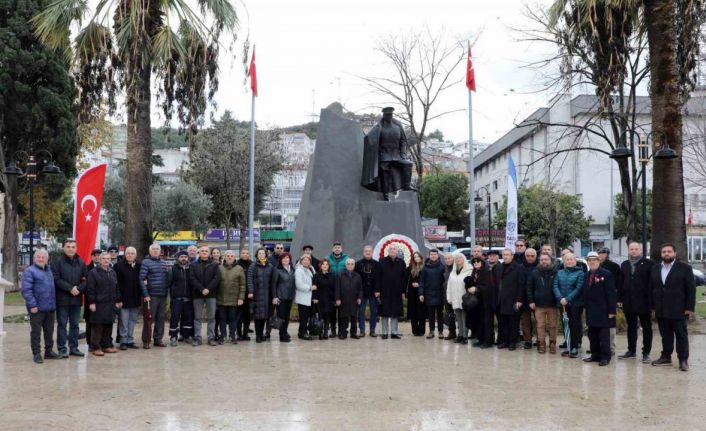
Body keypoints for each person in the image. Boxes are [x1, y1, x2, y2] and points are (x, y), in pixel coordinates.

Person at [649, 243, 696, 371]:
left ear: (674, 253)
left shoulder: (685, 268)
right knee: (665, 335)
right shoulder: (655, 268)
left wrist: (689, 308)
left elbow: (691, 289)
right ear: (661, 254)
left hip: (679, 309)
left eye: (669, 251)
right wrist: (652, 306)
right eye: (664, 252)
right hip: (661, 309)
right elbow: (651, 288)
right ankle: (666, 357)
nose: (666, 254)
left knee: (681, 335)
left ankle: (683, 359)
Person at [361, 106, 414, 201]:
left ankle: (406, 186)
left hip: (397, 156)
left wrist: (403, 154)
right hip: (384, 157)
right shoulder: (379, 127)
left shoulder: (398, 127)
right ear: (384, 115)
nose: (389, 116)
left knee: (408, 164)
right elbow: (369, 139)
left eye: (390, 115)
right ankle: (386, 196)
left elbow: (403, 141)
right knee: (385, 176)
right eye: (387, 115)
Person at [22, 249, 61, 363]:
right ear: (34, 259)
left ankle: (48, 351)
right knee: (36, 332)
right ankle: (36, 353)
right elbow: (26, 290)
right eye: (38, 257)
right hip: (37, 308)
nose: (41, 259)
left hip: (49, 307)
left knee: (49, 331)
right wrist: (32, 305)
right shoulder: (29, 271)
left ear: (47, 259)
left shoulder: (49, 270)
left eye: (43, 257)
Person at [618, 242, 655, 362]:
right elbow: (621, 283)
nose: (633, 251)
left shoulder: (650, 264)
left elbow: (653, 284)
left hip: (644, 302)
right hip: (628, 301)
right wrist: (619, 299)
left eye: (636, 249)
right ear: (628, 250)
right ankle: (631, 350)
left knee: (647, 327)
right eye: (631, 249)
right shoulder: (624, 264)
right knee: (631, 327)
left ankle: (646, 352)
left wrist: (652, 301)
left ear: (640, 250)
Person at [51, 239, 87, 358]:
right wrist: (70, 288)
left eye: (73, 247)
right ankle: (62, 349)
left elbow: (86, 279)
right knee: (62, 324)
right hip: (62, 299)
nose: (70, 249)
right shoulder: (57, 261)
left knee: (75, 325)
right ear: (64, 248)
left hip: (76, 300)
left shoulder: (81, 262)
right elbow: (56, 279)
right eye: (68, 246)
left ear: (76, 249)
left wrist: (79, 288)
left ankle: (74, 348)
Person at [582, 251, 616, 366]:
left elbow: (611, 293)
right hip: (591, 310)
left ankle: (605, 357)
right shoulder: (586, 275)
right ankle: (595, 355)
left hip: (603, 310)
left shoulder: (606, 274)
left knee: (604, 336)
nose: (592, 262)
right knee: (592, 335)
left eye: (594, 260)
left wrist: (612, 311)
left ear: (599, 261)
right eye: (590, 260)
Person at [86, 252, 122, 357]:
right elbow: (90, 289)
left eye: (108, 258)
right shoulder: (93, 272)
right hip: (98, 304)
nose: (106, 260)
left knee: (108, 325)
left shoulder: (112, 272)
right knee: (97, 326)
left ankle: (106, 346)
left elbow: (117, 287)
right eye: (104, 258)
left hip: (110, 303)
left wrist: (118, 300)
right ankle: (96, 347)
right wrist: (92, 302)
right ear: (99, 260)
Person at [553, 252, 585, 358]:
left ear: (575, 261)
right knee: (565, 325)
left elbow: (579, 288)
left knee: (574, 325)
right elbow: (555, 286)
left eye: (571, 259)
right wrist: (560, 298)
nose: (569, 261)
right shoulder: (559, 272)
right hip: (562, 304)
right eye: (567, 259)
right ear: (564, 261)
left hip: (575, 304)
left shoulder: (580, 273)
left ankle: (574, 347)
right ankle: (568, 345)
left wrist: (567, 298)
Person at [494, 249, 526, 350]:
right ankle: (504, 341)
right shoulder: (498, 267)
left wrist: (519, 300)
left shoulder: (518, 267)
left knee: (513, 323)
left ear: (512, 256)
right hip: (500, 300)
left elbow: (521, 285)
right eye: (504, 255)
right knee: (502, 323)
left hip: (513, 299)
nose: (505, 256)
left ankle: (513, 342)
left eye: (508, 255)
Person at [139, 243, 169, 349]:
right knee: (149, 319)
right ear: (150, 251)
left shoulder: (163, 262)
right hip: (151, 296)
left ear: (160, 251)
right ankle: (146, 340)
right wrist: (146, 294)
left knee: (161, 319)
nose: (156, 251)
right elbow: (141, 280)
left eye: (157, 249)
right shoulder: (146, 262)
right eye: (154, 249)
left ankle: (158, 339)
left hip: (162, 295)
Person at [190, 245, 221, 346]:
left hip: (211, 294)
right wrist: (201, 289)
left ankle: (211, 337)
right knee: (197, 317)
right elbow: (192, 278)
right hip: (197, 294)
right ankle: (197, 337)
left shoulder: (214, 264)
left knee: (211, 317)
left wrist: (208, 289)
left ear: (209, 253)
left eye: (206, 251)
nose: (204, 252)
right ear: (199, 253)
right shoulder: (193, 265)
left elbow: (217, 278)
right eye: (202, 251)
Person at [526, 253, 557, 354]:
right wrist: (531, 301)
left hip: (552, 304)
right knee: (540, 326)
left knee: (553, 325)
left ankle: (552, 344)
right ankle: (541, 344)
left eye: (546, 259)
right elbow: (529, 288)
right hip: (538, 305)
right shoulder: (534, 272)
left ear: (550, 260)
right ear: (540, 261)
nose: (544, 261)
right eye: (542, 259)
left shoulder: (555, 272)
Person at [114, 247, 142, 350]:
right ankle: (123, 341)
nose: (130, 255)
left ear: (136, 255)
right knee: (123, 322)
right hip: (123, 299)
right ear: (125, 254)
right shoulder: (118, 266)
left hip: (135, 299)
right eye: (128, 253)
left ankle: (130, 340)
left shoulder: (139, 266)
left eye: (132, 253)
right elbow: (116, 284)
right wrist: (118, 299)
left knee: (132, 321)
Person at [378, 244, 407, 339]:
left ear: (397, 251)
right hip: (384, 291)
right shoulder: (382, 261)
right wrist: (377, 290)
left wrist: (403, 291)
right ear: (388, 251)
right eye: (390, 249)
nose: (392, 250)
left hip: (397, 291)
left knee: (395, 312)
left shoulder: (401, 262)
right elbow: (378, 277)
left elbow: (404, 278)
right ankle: (384, 333)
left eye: (394, 249)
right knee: (384, 312)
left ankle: (394, 333)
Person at [247, 247, 276, 343]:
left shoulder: (270, 266)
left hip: (267, 295)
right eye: (259, 253)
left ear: (266, 255)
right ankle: (258, 336)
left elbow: (272, 282)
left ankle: (262, 334)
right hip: (256, 294)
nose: (261, 255)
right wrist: (250, 292)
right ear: (257, 255)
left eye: (263, 253)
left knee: (264, 316)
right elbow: (249, 280)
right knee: (257, 317)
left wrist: (274, 296)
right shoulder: (253, 266)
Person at [217, 250, 246, 345]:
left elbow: (242, 285)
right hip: (221, 299)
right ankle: (222, 336)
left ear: (234, 258)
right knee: (222, 319)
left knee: (233, 319)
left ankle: (233, 336)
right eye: (228, 256)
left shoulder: (239, 268)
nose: (230, 257)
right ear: (224, 257)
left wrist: (241, 298)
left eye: (231, 256)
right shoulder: (219, 268)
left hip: (234, 299)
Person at [168, 250, 194, 347]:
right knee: (174, 318)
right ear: (178, 258)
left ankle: (186, 336)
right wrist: (172, 296)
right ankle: (173, 336)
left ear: (188, 258)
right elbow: (169, 283)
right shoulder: (173, 269)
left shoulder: (191, 268)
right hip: (176, 299)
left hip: (188, 299)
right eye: (181, 257)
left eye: (185, 257)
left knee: (188, 318)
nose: (184, 258)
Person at [354, 245, 381, 337]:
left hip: (374, 292)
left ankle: (372, 330)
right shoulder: (358, 264)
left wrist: (378, 290)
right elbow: (356, 279)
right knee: (361, 312)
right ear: (363, 252)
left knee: (374, 311)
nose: (368, 252)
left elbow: (379, 278)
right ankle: (362, 330)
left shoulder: (377, 264)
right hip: (362, 292)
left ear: (372, 252)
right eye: (366, 251)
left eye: (369, 251)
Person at [446, 253, 473, 344]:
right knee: (458, 318)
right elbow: (449, 286)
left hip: (464, 299)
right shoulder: (453, 272)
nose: (458, 260)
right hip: (455, 299)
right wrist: (449, 297)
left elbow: (470, 285)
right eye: (456, 258)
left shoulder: (469, 270)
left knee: (465, 318)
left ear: (464, 259)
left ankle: (465, 336)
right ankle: (460, 335)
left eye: (460, 258)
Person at [464, 257, 491, 347]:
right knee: (479, 321)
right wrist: (468, 284)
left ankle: (487, 341)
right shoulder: (475, 271)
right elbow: (472, 283)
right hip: (477, 301)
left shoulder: (486, 271)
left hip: (486, 300)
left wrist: (477, 288)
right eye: (474, 262)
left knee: (486, 322)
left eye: (477, 261)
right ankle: (480, 339)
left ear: (482, 262)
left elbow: (488, 286)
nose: (475, 263)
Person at [419, 249, 446, 339]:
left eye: (435, 254)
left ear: (438, 256)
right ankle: (431, 331)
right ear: (429, 256)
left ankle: (441, 331)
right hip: (429, 293)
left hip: (440, 293)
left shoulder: (442, 267)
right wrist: (421, 293)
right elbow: (421, 281)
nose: (433, 256)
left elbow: (445, 281)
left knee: (440, 314)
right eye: (432, 254)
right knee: (430, 314)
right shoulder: (425, 267)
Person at [335, 258, 363, 339]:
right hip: (343, 300)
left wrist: (359, 298)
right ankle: (343, 333)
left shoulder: (358, 276)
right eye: (348, 264)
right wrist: (337, 299)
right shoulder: (340, 275)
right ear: (345, 265)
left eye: (352, 264)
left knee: (354, 317)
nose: (350, 265)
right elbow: (337, 288)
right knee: (343, 317)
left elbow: (360, 289)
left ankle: (353, 333)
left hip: (354, 300)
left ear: (354, 265)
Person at [272, 252, 296, 342]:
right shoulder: (277, 270)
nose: (286, 260)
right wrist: (274, 297)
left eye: (287, 258)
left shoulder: (293, 269)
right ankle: (282, 336)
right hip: (280, 297)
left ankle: (285, 332)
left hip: (289, 297)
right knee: (281, 317)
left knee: (287, 316)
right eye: (284, 258)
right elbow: (274, 284)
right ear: (280, 260)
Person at [326, 241, 349, 336]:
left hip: (342, 287)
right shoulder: (327, 258)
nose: (337, 249)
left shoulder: (346, 258)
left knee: (342, 311)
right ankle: (333, 330)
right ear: (332, 249)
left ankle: (341, 330)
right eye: (335, 247)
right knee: (332, 311)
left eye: (339, 247)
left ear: (341, 249)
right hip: (330, 287)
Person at [83, 248, 102, 348]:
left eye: (98, 255)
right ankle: (90, 343)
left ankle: (100, 342)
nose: (97, 257)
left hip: (102, 300)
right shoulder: (86, 268)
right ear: (92, 257)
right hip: (90, 299)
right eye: (95, 255)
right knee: (90, 322)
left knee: (100, 322)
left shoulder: (105, 267)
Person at [312, 260, 336, 340]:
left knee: (327, 317)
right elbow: (314, 288)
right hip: (319, 299)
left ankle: (326, 332)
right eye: (323, 264)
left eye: (326, 264)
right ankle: (320, 332)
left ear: (328, 266)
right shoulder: (316, 275)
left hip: (329, 299)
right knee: (320, 317)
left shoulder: (332, 275)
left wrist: (335, 299)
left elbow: (335, 288)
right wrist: (314, 298)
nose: (325, 265)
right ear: (320, 266)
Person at [295, 255, 316, 340]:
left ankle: (301, 332)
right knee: (303, 317)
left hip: (310, 297)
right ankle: (303, 333)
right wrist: (309, 287)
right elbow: (299, 284)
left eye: (308, 260)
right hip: (303, 297)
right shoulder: (299, 270)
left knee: (307, 316)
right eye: (304, 260)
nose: (306, 261)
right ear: (301, 261)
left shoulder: (310, 269)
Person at [406, 251, 426, 336]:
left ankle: (421, 330)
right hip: (412, 293)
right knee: (413, 312)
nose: (416, 258)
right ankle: (415, 331)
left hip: (421, 293)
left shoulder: (425, 268)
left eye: (418, 257)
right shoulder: (410, 268)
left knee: (421, 312)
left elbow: (426, 280)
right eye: (415, 257)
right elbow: (406, 280)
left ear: (421, 258)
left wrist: (419, 285)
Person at [236, 248, 253, 341]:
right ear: (240, 254)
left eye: (247, 253)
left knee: (248, 316)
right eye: (243, 253)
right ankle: (238, 333)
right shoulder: (237, 264)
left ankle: (245, 333)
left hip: (249, 294)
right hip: (239, 294)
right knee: (239, 315)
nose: (245, 254)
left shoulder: (252, 264)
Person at [442, 253, 457, 340]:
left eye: (449, 258)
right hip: (446, 294)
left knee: (458, 314)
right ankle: (452, 332)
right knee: (449, 313)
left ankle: (462, 334)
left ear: (453, 258)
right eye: (446, 259)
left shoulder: (456, 267)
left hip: (456, 294)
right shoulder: (444, 268)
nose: (448, 260)